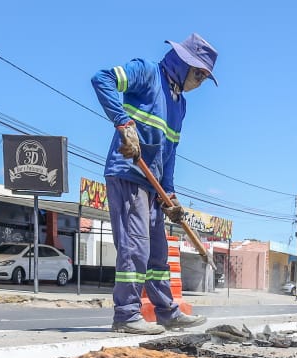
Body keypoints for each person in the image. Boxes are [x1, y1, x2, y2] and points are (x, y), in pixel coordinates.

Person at [91, 35, 218, 335]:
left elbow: (169, 152)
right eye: (198, 74)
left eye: (204, 77)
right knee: (135, 246)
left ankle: (167, 312)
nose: (199, 82)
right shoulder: (147, 72)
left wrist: (169, 194)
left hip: (152, 185)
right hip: (128, 173)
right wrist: (123, 123)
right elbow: (102, 79)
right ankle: (126, 315)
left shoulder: (179, 104)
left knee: (157, 252)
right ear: (183, 63)